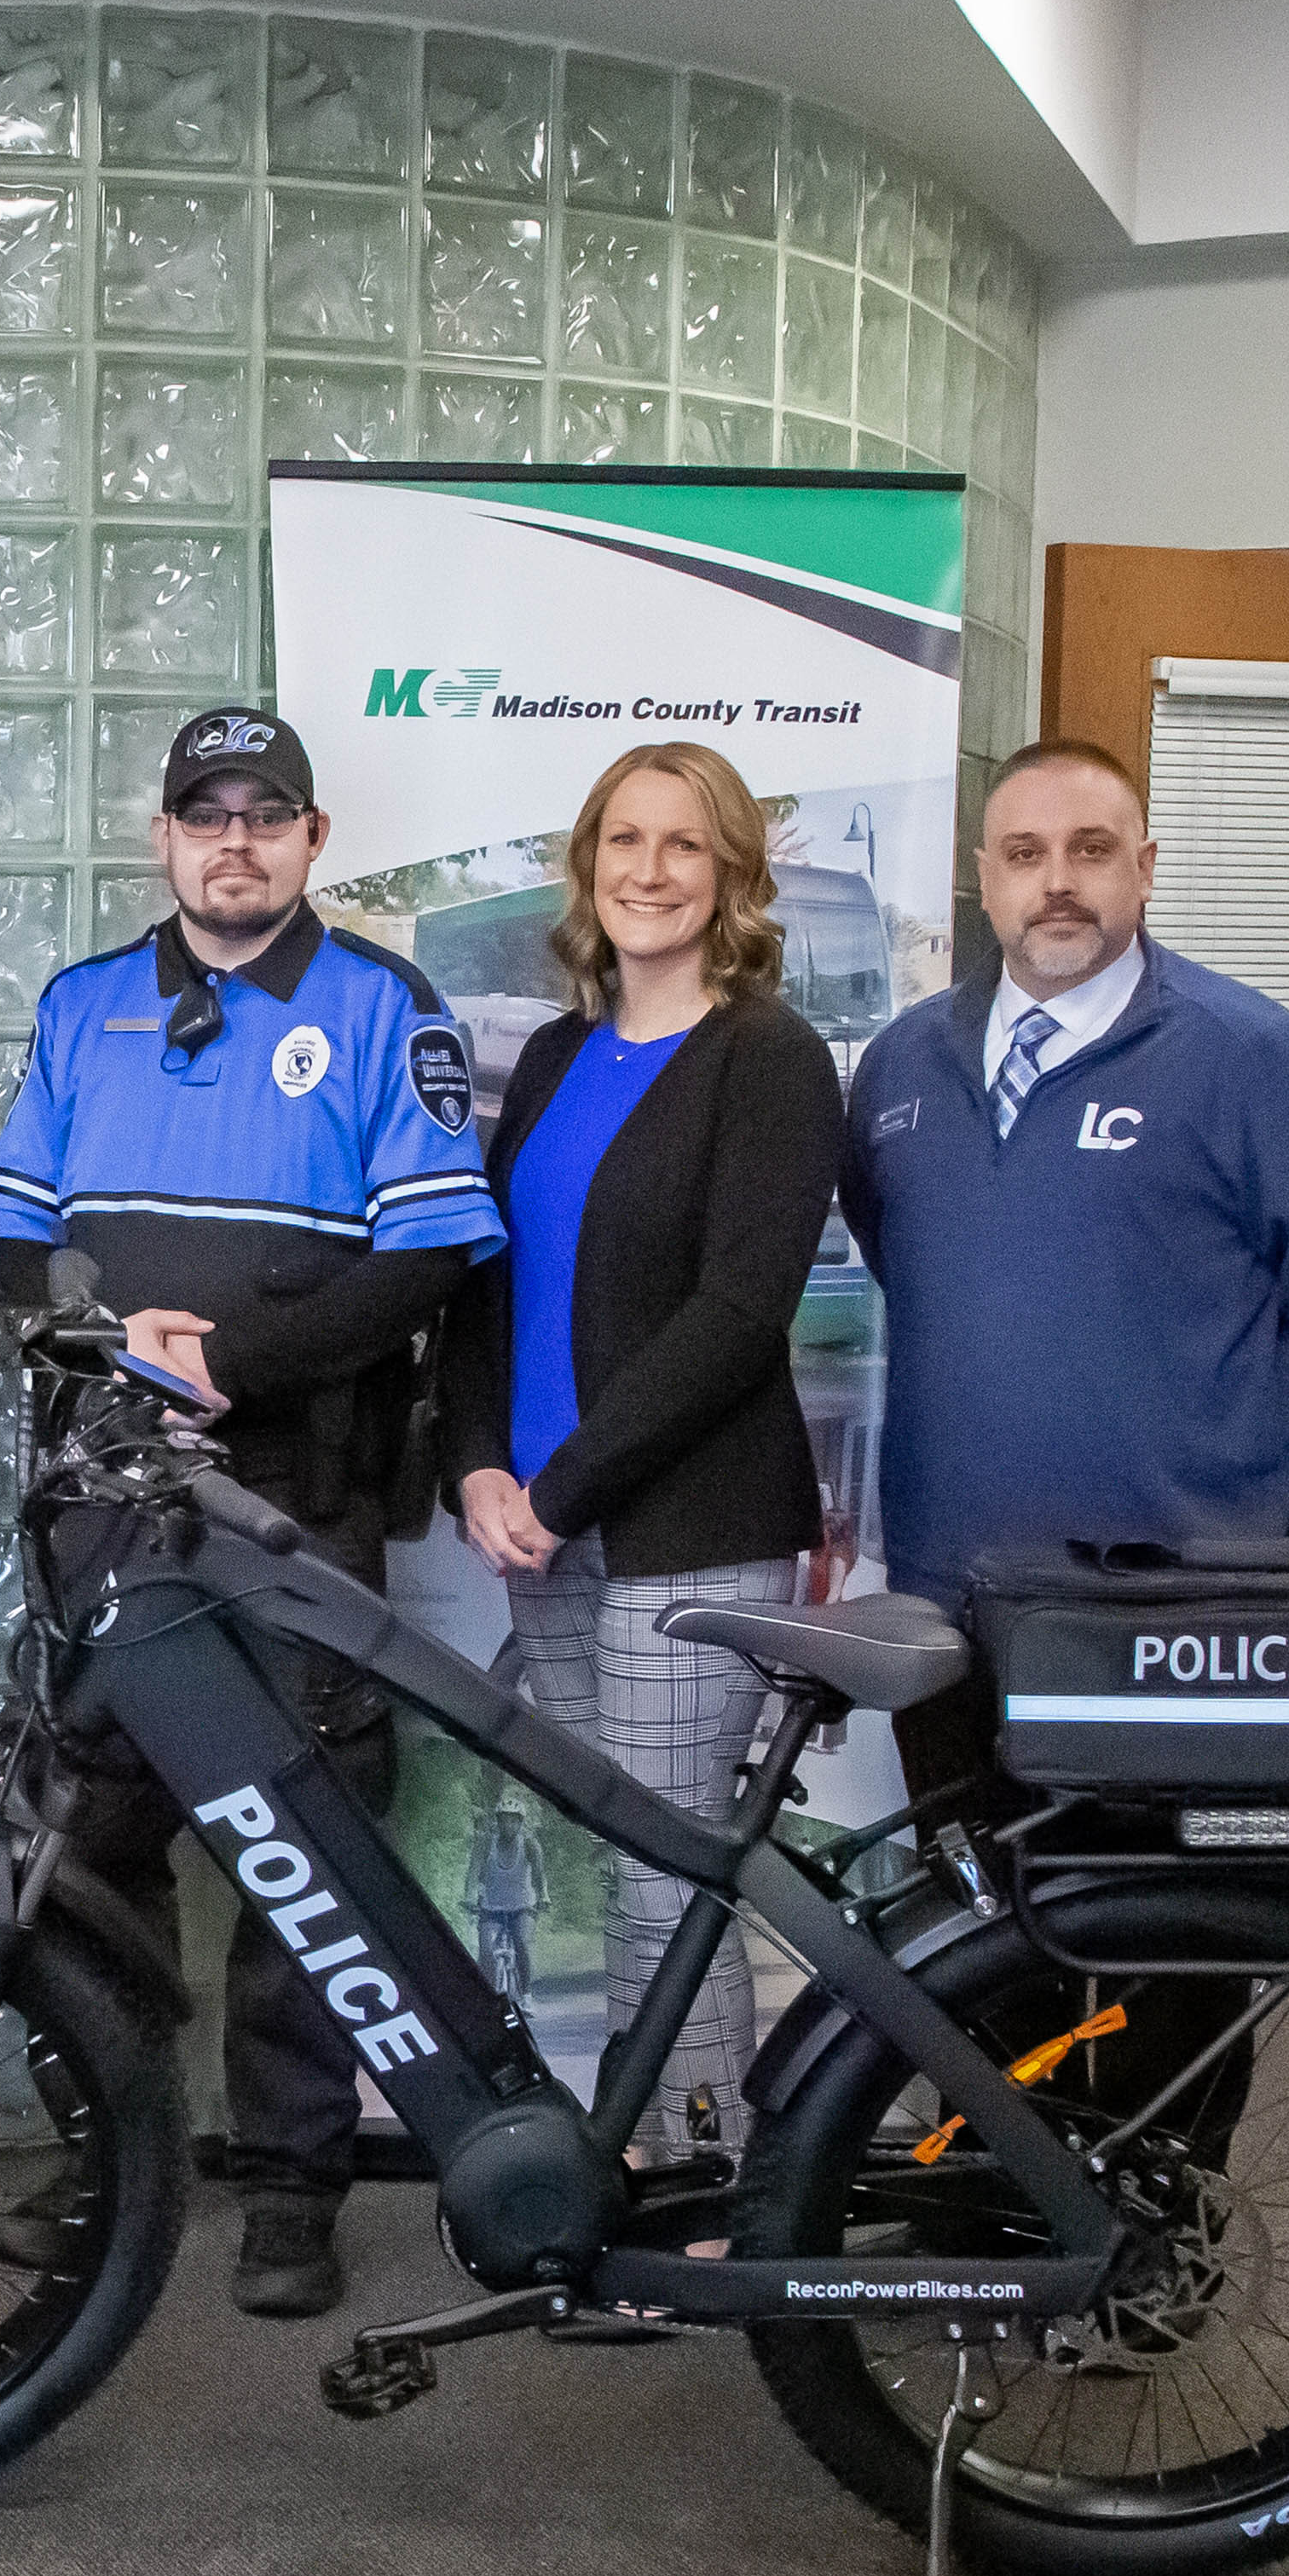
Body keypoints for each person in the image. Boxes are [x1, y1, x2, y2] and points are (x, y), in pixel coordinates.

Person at [0, 705, 504, 2319]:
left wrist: (231, 1360)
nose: (235, 842)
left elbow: (424, 1252)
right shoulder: (86, 1008)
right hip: (106, 1494)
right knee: (89, 1830)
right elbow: (7, 1227)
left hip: (294, 1494)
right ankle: (112, 2153)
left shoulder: (379, 1009)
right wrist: (100, 1330)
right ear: (165, 838)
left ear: (312, 841)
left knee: (298, 1839)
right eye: (206, 815)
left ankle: (291, 2183)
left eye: (267, 815)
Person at [842, 736, 1289, 1808]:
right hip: (952, 1596)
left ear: (1143, 868)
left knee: (1164, 1947)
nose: (1055, 881)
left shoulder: (1252, 1059)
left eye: (1090, 849)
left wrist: (1205, 1411)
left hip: (1181, 1607)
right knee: (971, 1951)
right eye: (1024, 852)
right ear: (982, 879)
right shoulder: (900, 1063)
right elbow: (907, 1265)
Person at [440, 742, 846, 2155]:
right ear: (589, 864)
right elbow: (486, 1280)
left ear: (731, 872)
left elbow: (739, 1317)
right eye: (625, 839)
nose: (651, 871)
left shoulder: (770, 1059)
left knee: (671, 1885)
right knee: (624, 1868)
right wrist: (480, 1466)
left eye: (685, 844)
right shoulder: (555, 1054)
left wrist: (560, 1489)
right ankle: (645, 2172)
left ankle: (698, 2182)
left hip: (688, 1526)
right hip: (542, 1528)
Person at [466, 1791, 547, 2003]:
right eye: (503, 1820)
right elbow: (473, 1872)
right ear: (498, 1821)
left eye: (513, 1821)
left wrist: (543, 1896)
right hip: (491, 1907)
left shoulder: (530, 1844)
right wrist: (469, 1897)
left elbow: (539, 1875)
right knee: (486, 1951)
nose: (508, 1825)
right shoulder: (485, 1843)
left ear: (520, 1823)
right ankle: (488, 1997)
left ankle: (527, 1994)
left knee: (521, 1942)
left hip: (523, 1907)